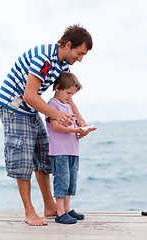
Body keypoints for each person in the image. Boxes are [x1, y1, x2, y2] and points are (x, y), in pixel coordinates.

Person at [0, 24, 93, 226]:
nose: (80, 59)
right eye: (79, 53)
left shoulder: (63, 65)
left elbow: (65, 96)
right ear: (68, 44)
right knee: (22, 158)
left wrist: (80, 122)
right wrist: (57, 115)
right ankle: (29, 212)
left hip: (30, 108)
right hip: (13, 106)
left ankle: (50, 206)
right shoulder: (44, 58)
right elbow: (29, 95)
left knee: (43, 153)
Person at [45, 72, 97, 224]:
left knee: (70, 181)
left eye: (72, 94)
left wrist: (84, 130)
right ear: (58, 88)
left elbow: (81, 122)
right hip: (60, 151)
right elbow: (55, 127)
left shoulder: (68, 105)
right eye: (68, 93)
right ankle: (60, 212)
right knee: (62, 180)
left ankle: (67, 209)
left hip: (73, 150)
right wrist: (76, 131)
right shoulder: (52, 105)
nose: (70, 96)